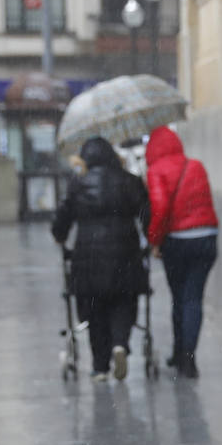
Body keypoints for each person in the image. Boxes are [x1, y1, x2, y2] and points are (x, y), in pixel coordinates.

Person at [51, 136, 150, 383]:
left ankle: (100, 367)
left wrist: (60, 236)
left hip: (88, 257)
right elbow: (146, 214)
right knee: (123, 301)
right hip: (125, 253)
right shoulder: (130, 181)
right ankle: (120, 344)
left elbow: (62, 218)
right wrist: (150, 239)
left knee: (94, 309)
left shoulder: (78, 184)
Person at [145, 126, 219, 379]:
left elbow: (160, 208)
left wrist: (154, 240)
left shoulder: (156, 170)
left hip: (177, 241)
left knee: (180, 297)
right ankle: (186, 356)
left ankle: (182, 356)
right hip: (207, 238)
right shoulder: (195, 165)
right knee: (193, 298)